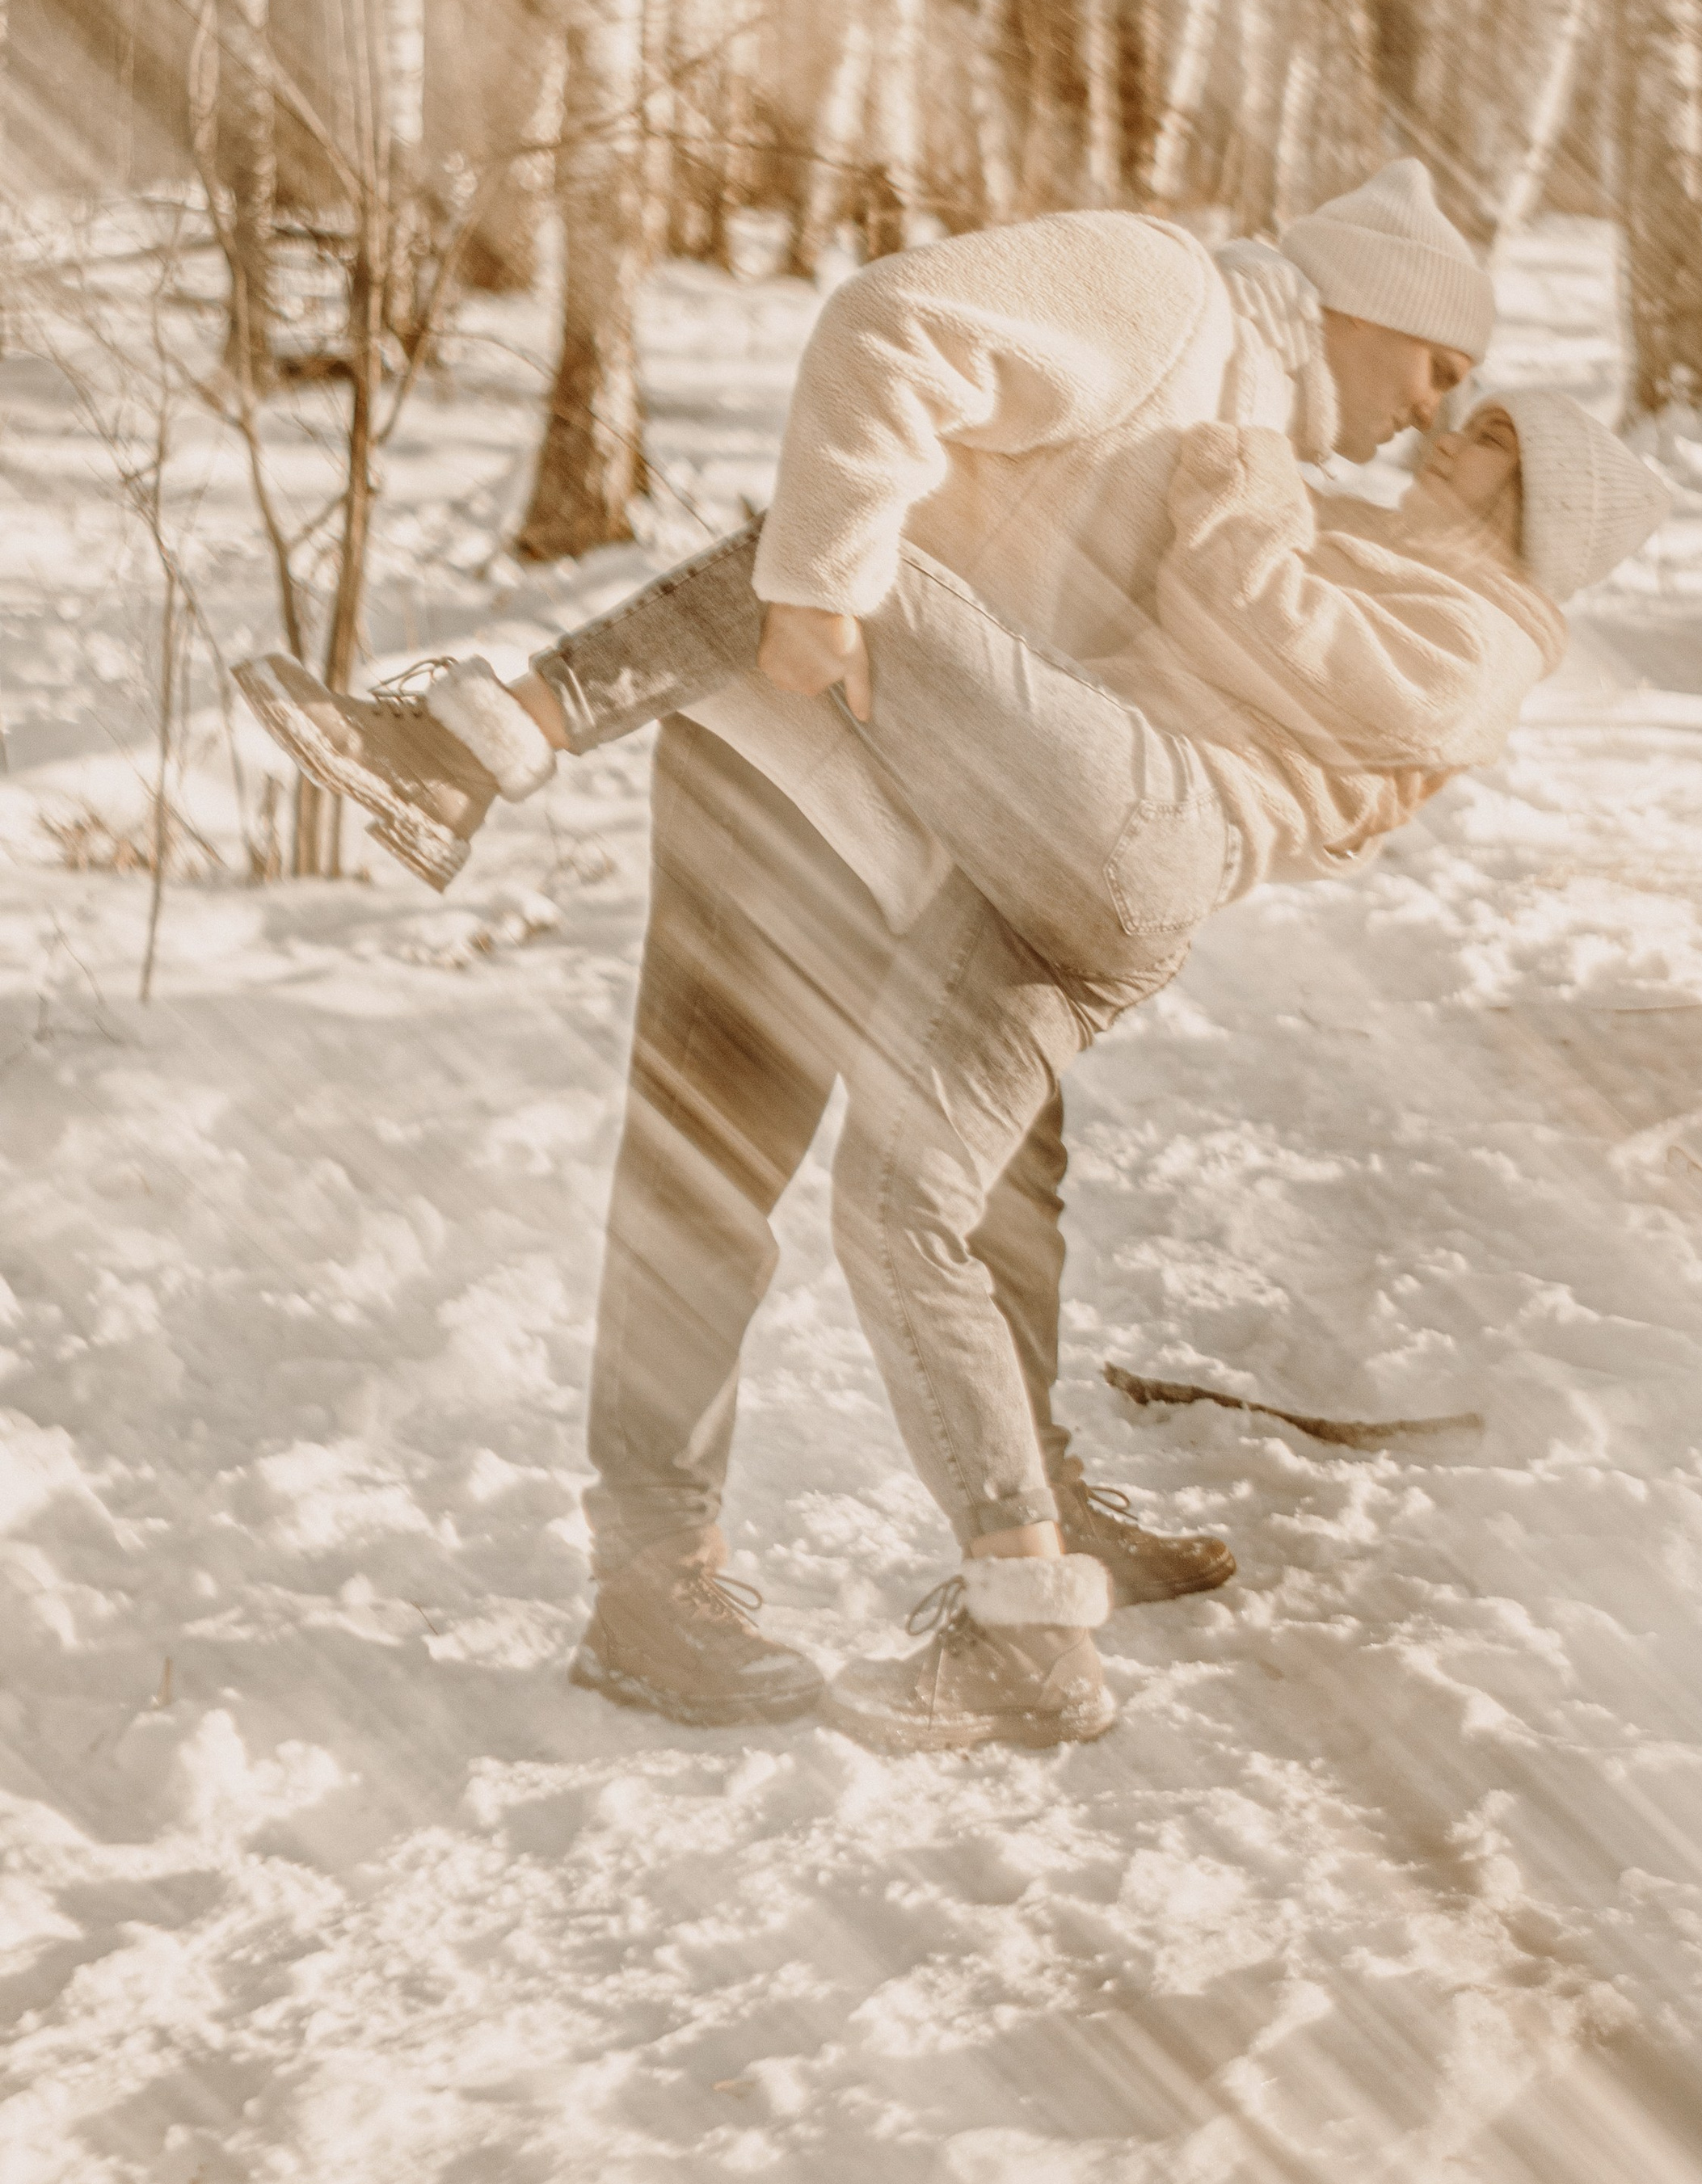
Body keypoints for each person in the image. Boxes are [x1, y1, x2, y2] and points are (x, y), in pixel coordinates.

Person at [237, 163, 1531, 1747]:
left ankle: (1031, 1521)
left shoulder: (1260, 431)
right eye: (1437, 369)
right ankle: (653, 1580)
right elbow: (889, 324)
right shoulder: (1160, 295)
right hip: (796, 783)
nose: (1428, 410)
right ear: (1366, 298)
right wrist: (825, 583)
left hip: (972, 830)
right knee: (709, 1181)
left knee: (997, 1182)